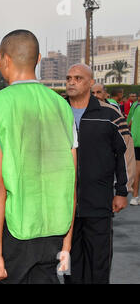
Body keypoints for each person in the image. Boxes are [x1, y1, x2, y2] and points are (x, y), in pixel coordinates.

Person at [0, 30, 78, 284]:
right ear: (39, 59)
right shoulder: (62, 106)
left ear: (4, 61)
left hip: (12, 231)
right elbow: (72, 181)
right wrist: (66, 246)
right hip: (55, 228)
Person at [64, 64, 135, 284]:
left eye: (78, 78)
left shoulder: (109, 114)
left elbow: (124, 154)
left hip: (98, 203)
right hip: (64, 205)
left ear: (91, 82)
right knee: (69, 266)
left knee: (98, 264)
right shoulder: (57, 112)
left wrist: (122, 190)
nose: (71, 82)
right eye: (68, 78)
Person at [129, 95, 140, 206]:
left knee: (137, 169)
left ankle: (135, 196)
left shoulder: (135, 106)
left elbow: (129, 123)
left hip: (136, 140)